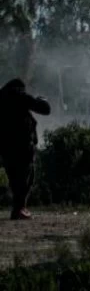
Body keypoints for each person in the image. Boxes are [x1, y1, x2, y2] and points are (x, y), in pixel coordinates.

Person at [0, 79, 52, 220]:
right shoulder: (20, 96)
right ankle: (19, 209)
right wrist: (42, 99)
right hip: (22, 146)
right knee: (25, 177)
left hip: (5, 147)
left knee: (14, 177)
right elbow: (45, 109)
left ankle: (19, 208)